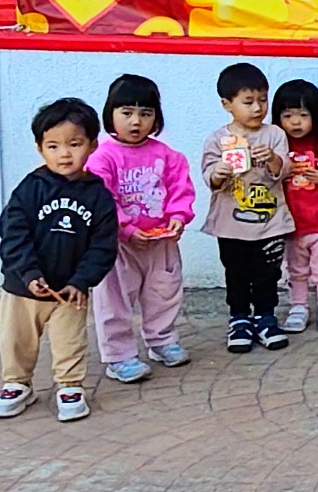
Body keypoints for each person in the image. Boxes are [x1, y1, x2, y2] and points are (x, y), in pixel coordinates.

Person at [0, 99, 117, 422]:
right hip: (22, 288)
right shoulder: (30, 189)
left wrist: (81, 280)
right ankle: (16, 383)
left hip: (68, 290)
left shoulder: (99, 196)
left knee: (70, 340)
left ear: (92, 145)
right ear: (40, 148)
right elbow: (12, 233)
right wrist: (28, 273)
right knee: (15, 339)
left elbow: (103, 246)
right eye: (53, 146)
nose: (64, 154)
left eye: (74, 144)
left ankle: (70, 386)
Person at [87, 74, 196, 383]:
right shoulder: (102, 157)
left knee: (164, 293)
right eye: (127, 112)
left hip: (161, 242)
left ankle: (162, 341)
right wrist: (125, 228)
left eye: (146, 113)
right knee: (115, 300)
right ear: (110, 114)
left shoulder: (168, 155)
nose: (136, 121)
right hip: (119, 246)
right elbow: (102, 198)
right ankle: (119, 356)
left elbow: (181, 189)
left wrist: (178, 216)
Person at [201, 63, 294, 353]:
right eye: (248, 101)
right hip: (231, 223)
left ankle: (266, 317)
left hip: (270, 221)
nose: (257, 108)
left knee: (268, 273)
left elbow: (284, 170)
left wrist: (273, 159)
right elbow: (209, 176)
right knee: (236, 273)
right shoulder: (218, 139)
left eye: (262, 100)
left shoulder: (274, 135)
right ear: (227, 104)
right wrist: (219, 172)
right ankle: (239, 318)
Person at [273, 79, 318, 335]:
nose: (295, 122)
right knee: (295, 270)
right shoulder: (277, 146)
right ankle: (298, 306)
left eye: (303, 115)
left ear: (316, 115)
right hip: (290, 223)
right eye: (288, 115)